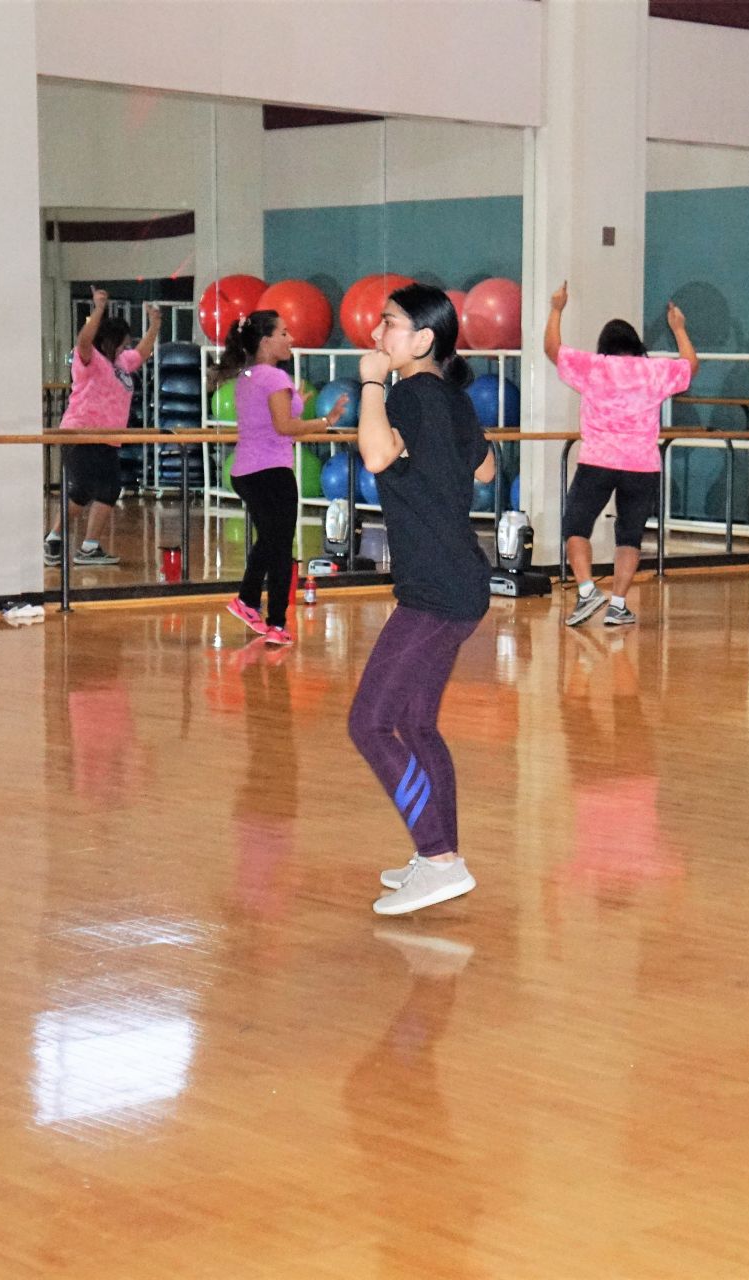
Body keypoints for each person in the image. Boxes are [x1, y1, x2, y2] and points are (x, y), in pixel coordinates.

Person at [350, 284, 496, 916]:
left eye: (389, 324)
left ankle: (438, 859)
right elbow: (486, 470)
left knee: (371, 723)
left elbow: (377, 452)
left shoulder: (407, 393)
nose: (377, 332)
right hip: (459, 580)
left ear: (422, 340)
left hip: (435, 589)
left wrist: (372, 385)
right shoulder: (452, 396)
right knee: (416, 724)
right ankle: (437, 856)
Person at [545, 282, 697, 627]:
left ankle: (587, 592)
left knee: (576, 527)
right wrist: (679, 328)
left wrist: (557, 309)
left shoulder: (594, 367)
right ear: (635, 345)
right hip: (642, 466)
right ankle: (617, 605)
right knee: (629, 535)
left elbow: (552, 349)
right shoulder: (654, 371)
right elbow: (690, 366)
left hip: (597, 461)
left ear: (605, 346)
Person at [211, 309, 343, 646]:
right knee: (281, 547)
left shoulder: (249, 377)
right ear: (266, 340)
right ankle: (277, 623)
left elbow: (270, 421)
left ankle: (247, 600)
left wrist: (298, 401)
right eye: (284, 333)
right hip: (271, 473)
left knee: (269, 540)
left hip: (248, 472)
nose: (291, 339)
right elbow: (285, 427)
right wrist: (325, 421)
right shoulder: (273, 378)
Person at [44, 289, 161, 567]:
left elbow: (143, 353)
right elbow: (83, 339)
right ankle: (54, 538)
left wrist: (155, 325)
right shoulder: (90, 358)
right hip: (81, 432)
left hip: (109, 438)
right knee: (82, 489)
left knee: (110, 490)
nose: (126, 347)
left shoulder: (120, 363)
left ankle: (89, 547)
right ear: (110, 340)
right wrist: (98, 309)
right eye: (123, 342)